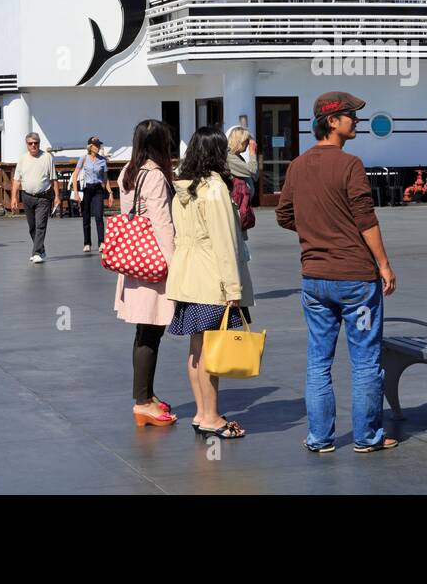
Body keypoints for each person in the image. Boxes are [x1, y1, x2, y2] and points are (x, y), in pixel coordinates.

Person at [276, 91, 397, 454]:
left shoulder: (297, 165)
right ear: (332, 121)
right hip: (356, 280)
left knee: (318, 359)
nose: (356, 121)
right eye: (350, 116)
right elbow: (365, 218)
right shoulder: (350, 165)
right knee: (364, 361)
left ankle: (320, 437)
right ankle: (366, 437)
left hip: (314, 279)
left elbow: (284, 214)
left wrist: (316, 229)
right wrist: (384, 264)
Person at [167, 126, 254, 440]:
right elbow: (225, 242)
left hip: (187, 274)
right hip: (211, 277)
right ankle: (212, 416)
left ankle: (202, 412)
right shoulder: (215, 188)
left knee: (197, 347)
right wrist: (233, 289)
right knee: (212, 351)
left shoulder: (184, 186)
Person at [117, 119, 178, 428]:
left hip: (134, 257)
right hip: (154, 262)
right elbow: (162, 222)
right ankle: (142, 402)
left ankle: (146, 396)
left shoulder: (128, 171)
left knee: (145, 330)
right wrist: (175, 263)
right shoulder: (153, 176)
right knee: (150, 331)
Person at [10, 133, 59, 264]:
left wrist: (57, 197)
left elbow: (54, 179)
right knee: (32, 227)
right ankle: (41, 249)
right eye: (31, 143)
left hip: (43, 197)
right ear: (27, 144)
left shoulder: (47, 157)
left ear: (39, 143)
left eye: (36, 143)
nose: (33, 145)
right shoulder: (22, 159)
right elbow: (16, 180)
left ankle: (36, 252)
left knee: (41, 225)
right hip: (27, 196)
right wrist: (14, 197)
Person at [75, 136, 110, 253]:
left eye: (99, 145)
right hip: (87, 189)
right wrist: (76, 192)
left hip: (98, 189)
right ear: (90, 146)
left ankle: (101, 242)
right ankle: (87, 243)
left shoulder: (102, 160)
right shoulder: (84, 158)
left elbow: (105, 178)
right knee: (86, 217)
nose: (98, 147)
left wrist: (109, 192)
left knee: (99, 216)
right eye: (95, 145)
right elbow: (75, 175)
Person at [226, 126, 259, 193]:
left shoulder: (237, 156)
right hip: (236, 201)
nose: (248, 144)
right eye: (247, 140)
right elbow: (252, 171)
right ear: (240, 141)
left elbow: (255, 177)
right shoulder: (229, 157)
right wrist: (252, 153)